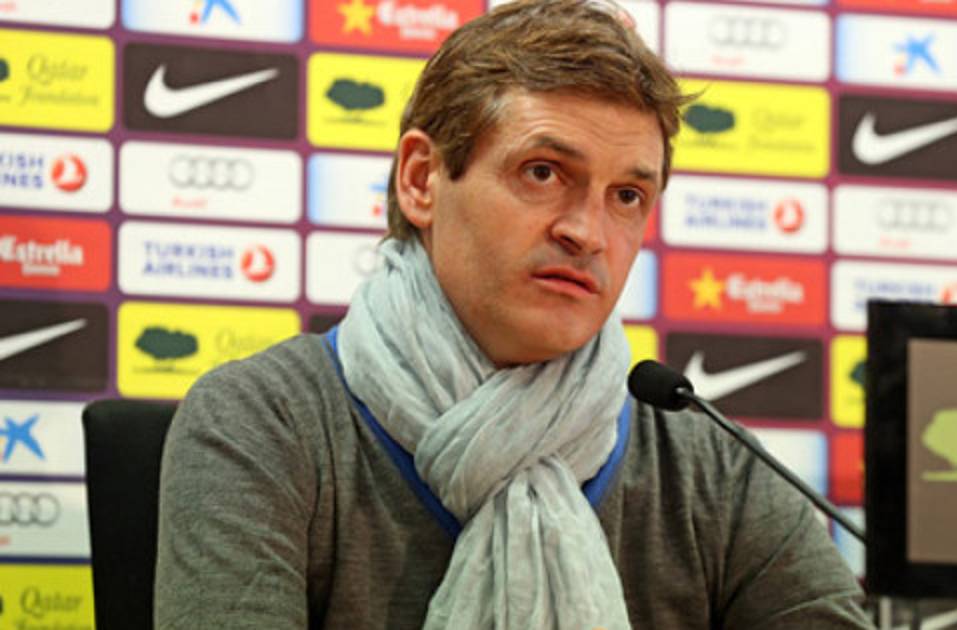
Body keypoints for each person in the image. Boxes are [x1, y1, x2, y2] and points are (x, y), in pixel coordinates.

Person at [154, 0, 873, 627]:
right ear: (421, 180)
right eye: (543, 172)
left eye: (627, 196)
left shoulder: (708, 461)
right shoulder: (263, 422)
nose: (587, 232)